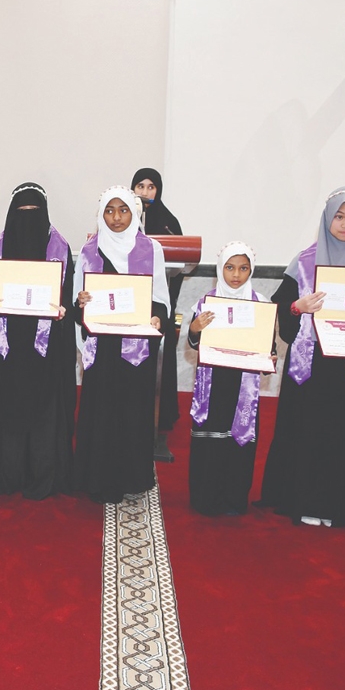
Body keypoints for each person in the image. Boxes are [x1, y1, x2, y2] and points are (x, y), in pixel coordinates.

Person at [258, 188, 345, 527]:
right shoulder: (304, 262)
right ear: (327, 218)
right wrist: (297, 307)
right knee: (309, 432)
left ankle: (339, 506)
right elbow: (282, 309)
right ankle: (302, 500)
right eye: (339, 216)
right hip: (312, 367)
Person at [0, 183, 77, 499]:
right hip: (6, 350)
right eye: (22, 213)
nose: (28, 220)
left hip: (46, 351)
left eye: (35, 213)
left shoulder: (61, 248)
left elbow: (69, 296)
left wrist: (63, 310)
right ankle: (5, 475)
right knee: (6, 412)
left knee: (45, 413)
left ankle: (43, 477)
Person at [73, 186, 170, 504]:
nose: (116, 217)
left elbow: (160, 299)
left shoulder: (151, 249)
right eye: (110, 210)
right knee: (100, 411)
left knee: (132, 412)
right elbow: (77, 303)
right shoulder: (89, 250)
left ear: (134, 213)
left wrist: (157, 318)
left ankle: (131, 477)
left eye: (123, 210)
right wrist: (81, 302)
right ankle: (96, 478)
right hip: (102, 347)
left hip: (135, 348)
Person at [185, 241, 269, 515]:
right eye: (230, 267)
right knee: (211, 441)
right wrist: (195, 328)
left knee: (238, 441)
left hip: (243, 384)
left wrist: (270, 356)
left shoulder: (261, 304)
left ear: (251, 270)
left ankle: (234, 499)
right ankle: (205, 498)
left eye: (243, 268)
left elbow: (268, 346)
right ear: (220, 269)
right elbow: (194, 344)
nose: (236, 275)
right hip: (214, 384)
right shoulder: (206, 303)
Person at [132, 167, 184, 432]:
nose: (145, 192)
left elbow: (181, 263)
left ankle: (159, 417)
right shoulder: (123, 218)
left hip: (156, 307)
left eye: (151, 187)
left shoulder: (167, 222)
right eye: (140, 186)